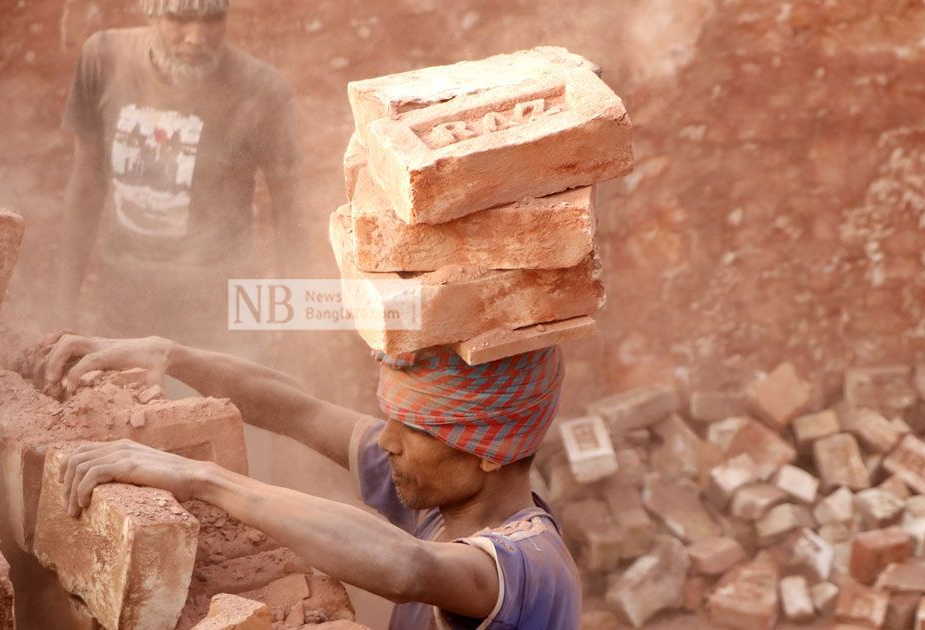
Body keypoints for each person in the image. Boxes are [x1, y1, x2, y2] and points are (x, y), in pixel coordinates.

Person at [36, 334, 581, 629]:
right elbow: (297, 410)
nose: (386, 441)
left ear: (489, 452)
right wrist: (173, 356)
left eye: (412, 429)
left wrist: (200, 476)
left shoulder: (530, 567)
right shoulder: (445, 489)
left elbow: (408, 567)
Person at [59, 0, 301, 345]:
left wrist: (299, 331)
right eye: (180, 18)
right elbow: (85, 185)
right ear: (151, 11)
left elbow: (290, 214)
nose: (196, 37)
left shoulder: (262, 91)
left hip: (222, 322)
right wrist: (63, 308)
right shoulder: (103, 58)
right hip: (126, 308)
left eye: (213, 19)